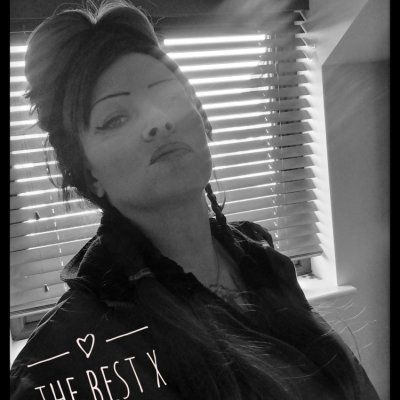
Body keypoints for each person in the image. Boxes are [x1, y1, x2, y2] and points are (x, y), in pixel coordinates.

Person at [10, 1, 380, 399]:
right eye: (116, 118)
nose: (157, 121)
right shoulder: (68, 359)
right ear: (88, 172)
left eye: (168, 96)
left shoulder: (261, 260)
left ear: (202, 119)